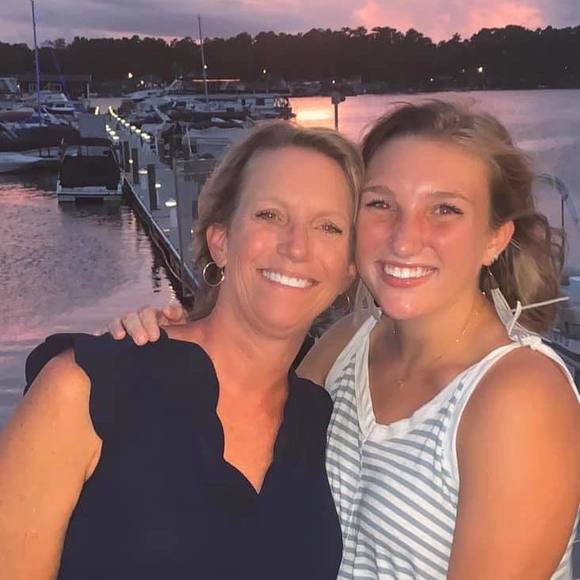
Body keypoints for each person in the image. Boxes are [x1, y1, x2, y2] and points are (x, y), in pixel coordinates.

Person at [110, 101, 580, 579]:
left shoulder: (520, 397)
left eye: (445, 209)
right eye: (381, 204)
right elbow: (241, 437)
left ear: (495, 238)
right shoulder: (348, 344)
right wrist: (175, 341)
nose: (404, 239)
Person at [0, 121, 364, 580]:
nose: (296, 246)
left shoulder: (323, 426)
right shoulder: (88, 389)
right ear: (220, 241)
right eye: (270, 215)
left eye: (329, 226)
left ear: (349, 270)